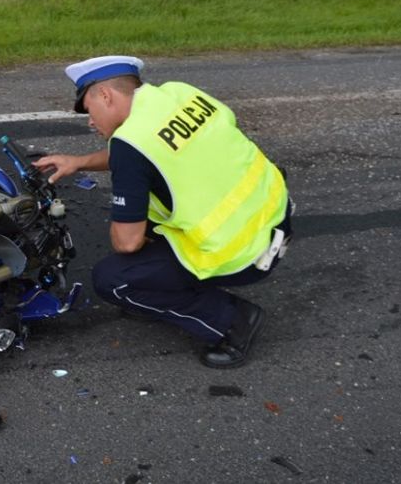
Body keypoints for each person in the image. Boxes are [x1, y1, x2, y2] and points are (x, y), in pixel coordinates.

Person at [33, 56, 293, 368]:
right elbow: (152, 151)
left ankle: (232, 321)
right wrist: (78, 162)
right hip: (274, 213)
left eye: (89, 109)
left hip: (245, 252)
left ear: (106, 96)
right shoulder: (180, 94)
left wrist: (128, 229)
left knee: (113, 278)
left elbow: (126, 242)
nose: (90, 121)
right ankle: (166, 281)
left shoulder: (130, 143)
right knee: (150, 215)